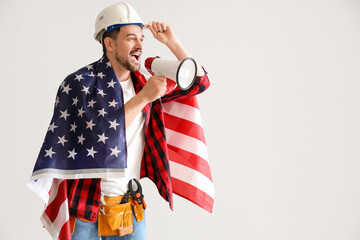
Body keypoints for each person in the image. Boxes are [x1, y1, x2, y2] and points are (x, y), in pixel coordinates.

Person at [29, 2, 211, 240]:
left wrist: (171, 42)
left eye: (142, 39)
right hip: (84, 207)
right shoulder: (79, 84)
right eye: (131, 38)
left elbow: (200, 82)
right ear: (109, 43)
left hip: (129, 207)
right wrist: (144, 97)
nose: (140, 45)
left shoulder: (145, 81)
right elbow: (97, 137)